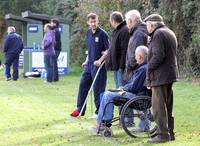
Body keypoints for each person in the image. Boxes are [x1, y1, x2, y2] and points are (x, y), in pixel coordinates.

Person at [89, 45, 149, 132]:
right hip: (137, 94)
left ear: (140, 56)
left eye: (135, 55)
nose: (135, 58)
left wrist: (123, 88)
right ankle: (103, 122)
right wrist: (123, 88)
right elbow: (134, 85)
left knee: (108, 95)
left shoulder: (143, 69)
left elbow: (134, 87)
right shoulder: (143, 67)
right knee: (110, 92)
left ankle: (103, 123)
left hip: (136, 96)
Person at [145, 14, 178, 143]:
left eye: (147, 24)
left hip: (160, 76)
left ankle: (162, 135)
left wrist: (149, 67)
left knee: (158, 107)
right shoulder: (168, 31)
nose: (146, 27)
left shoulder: (158, 34)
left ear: (153, 24)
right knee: (167, 106)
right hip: (169, 74)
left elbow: (158, 55)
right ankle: (170, 133)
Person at [70, 13, 109, 117]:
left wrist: (100, 60)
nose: (93, 23)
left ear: (98, 21)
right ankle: (80, 109)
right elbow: (89, 49)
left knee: (98, 89)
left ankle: (99, 112)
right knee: (83, 85)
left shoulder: (103, 34)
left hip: (98, 66)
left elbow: (108, 51)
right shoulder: (88, 33)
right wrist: (86, 61)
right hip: (89, 65)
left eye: (95, 21)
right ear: (88, 22)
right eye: (91, 22)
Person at [105, 11, 129, 88]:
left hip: (121, 68)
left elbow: (124, 50)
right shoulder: (117, 31)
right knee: (118, 89)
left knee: (121, 90)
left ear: (113, 21)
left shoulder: (124, 30)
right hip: (116, 67)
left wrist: (121, 67)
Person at [124, 10, 148, 82]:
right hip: (139, 71)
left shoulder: (138, 34)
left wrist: (129, 66)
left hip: (136, 73)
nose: (126, 24)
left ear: (130, 21)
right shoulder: (141, 30)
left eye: (126, 21)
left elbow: (137, 55)